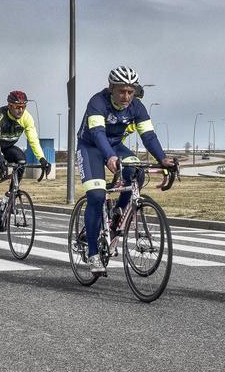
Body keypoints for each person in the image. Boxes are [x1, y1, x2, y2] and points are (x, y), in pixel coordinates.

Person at [75, 66, 176, 275]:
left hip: (114, 146)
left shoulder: (137, 107)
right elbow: (97, 133)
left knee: (137, 171)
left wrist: (162, 158)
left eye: (130, 91)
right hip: (91, 147)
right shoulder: (98, 102)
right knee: (96, 195)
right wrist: (109, 156)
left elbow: (148, 136)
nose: (126, 96)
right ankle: (93, 254)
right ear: (111, 87)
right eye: (122, 91)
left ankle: (118, 212)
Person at [0, 90, 51, 243]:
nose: (21, 110)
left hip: (8, 147)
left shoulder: (26, 118)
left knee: (21, 160)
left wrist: (43, 159)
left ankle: (11, 194)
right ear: (9, 105)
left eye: (23, 107)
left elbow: (33, 140)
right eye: (17, 107)